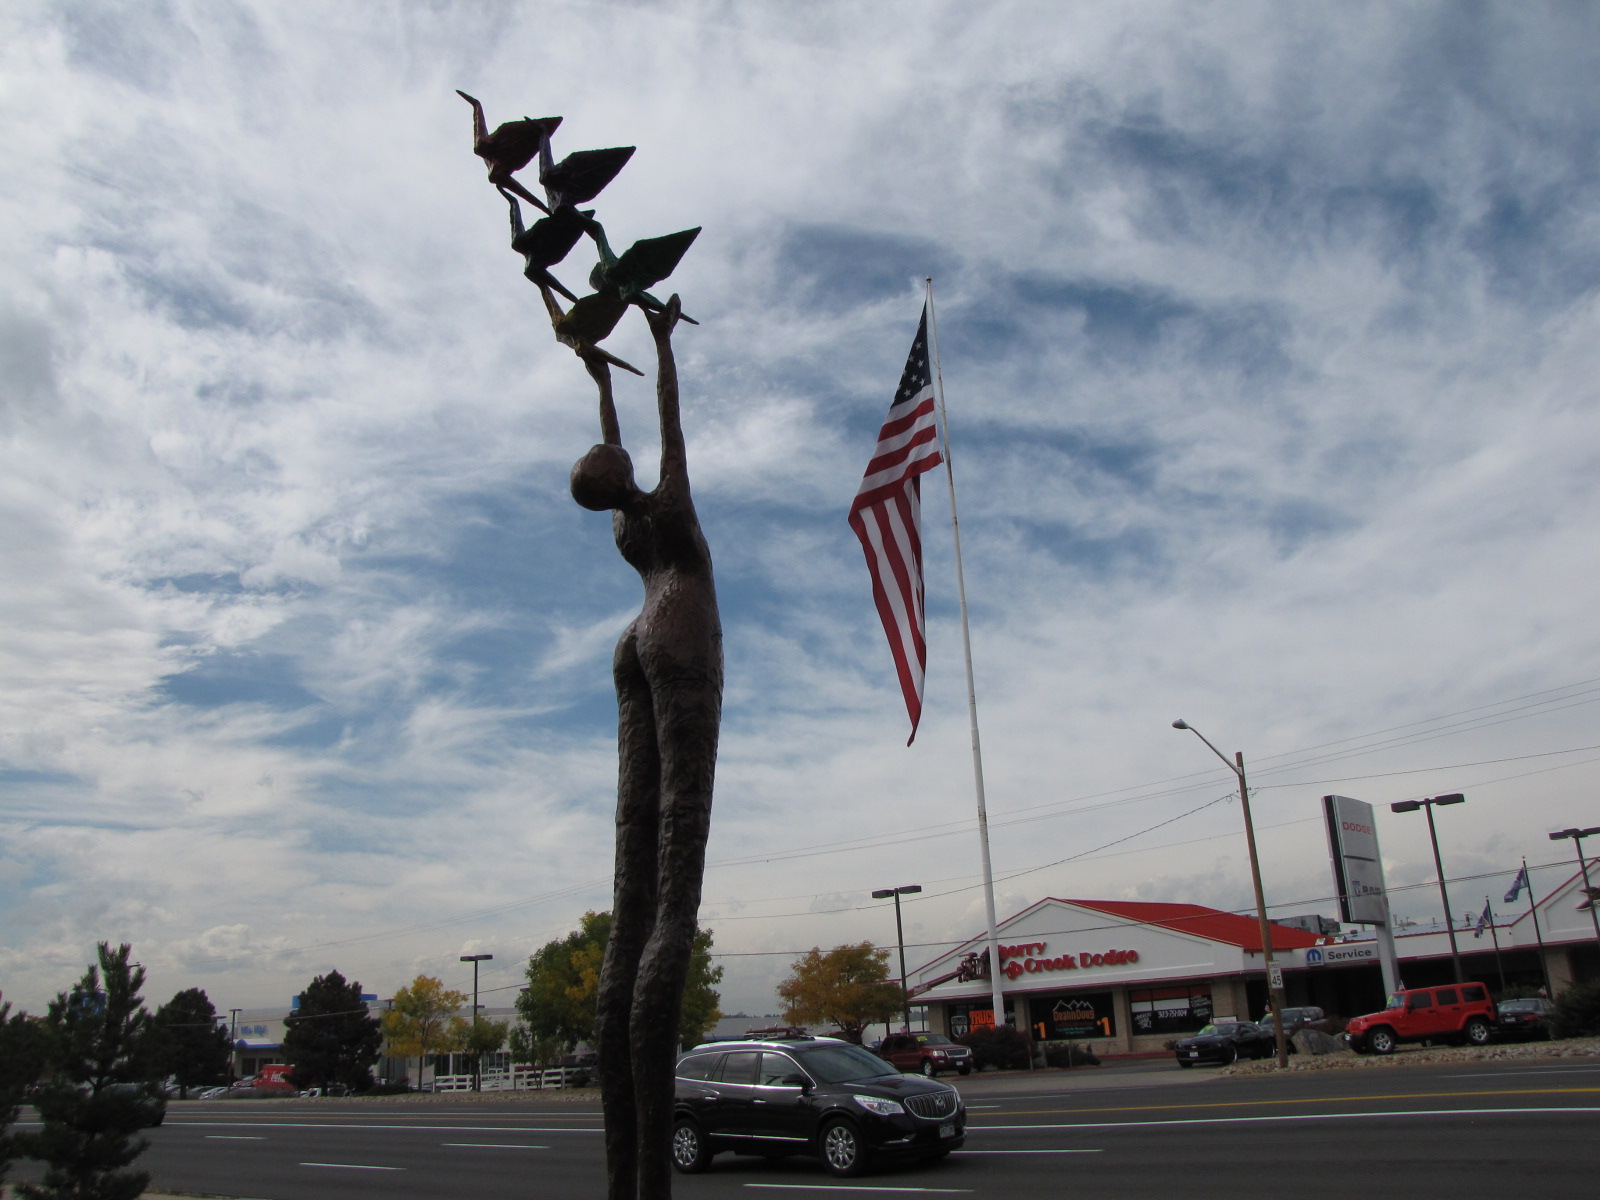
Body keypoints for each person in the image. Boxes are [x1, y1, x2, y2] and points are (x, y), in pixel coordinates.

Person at [568, 295, 722, 1200]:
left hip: (631, 643)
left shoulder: (625, 529)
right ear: (624, 477)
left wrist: (599, 376)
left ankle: (623, 1179)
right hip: (680, 634)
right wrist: (661, 343)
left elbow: (615, 443)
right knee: (672, 890)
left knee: (631, 895)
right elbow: (669, 424)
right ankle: (649, 1183)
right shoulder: (665, 505)